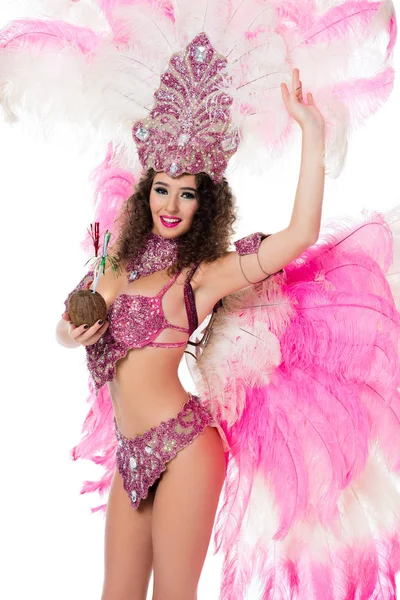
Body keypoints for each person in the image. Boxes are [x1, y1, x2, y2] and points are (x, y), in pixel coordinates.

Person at [56, 68, 326, 600]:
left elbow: (301, 235)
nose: (171, 206)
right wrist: (74, 332)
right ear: (146, 192)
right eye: (162, 189)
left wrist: (312, 133)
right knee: (118, 593)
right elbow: (65, 329)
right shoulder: (111, 263)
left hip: (185, 449)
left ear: (206, 205)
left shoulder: (201, 275)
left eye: (186, 194)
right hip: (129, 453)